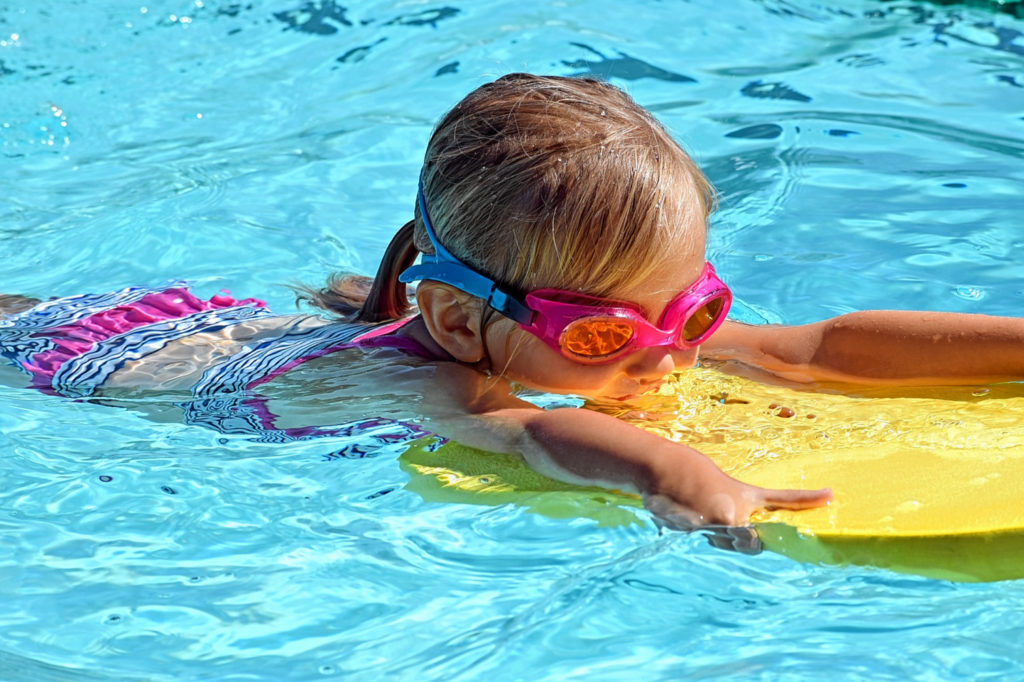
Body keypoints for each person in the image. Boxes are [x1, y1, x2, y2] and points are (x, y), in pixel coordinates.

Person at [3, 74, 1023, 529]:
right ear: (458, 325)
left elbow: (816, 350)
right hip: (96, 364)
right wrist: (681, 477)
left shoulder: (634, 336)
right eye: (603, 334)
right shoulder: (438, 383)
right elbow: (531, 438)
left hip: (230, 324)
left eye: (696, 311)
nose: (669, 356)